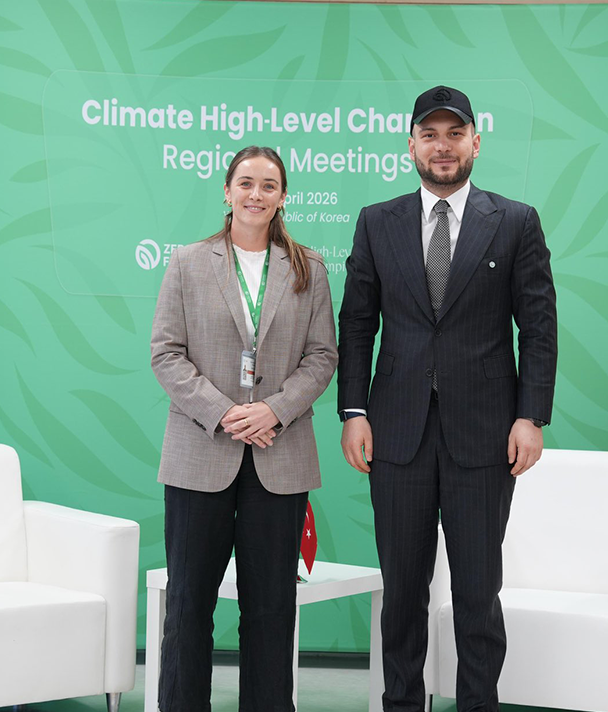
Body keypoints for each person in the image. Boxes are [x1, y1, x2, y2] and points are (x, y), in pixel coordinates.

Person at [337, 86, 557, 712]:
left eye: (454, 134)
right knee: (403, 592)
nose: (442, 146)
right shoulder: (377, 221)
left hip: (485, 436)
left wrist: (530, 415)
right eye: (429, 135)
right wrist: (354, 410)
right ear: (410, 145)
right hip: (396, 432)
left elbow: (538, 325)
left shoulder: (514, 221)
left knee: (478, 593)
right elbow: (358, 323)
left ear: (475, 143)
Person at [150, 145, 338, 712]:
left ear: (284, 197)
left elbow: (322, 356)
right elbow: (166, 353)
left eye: (269, 185)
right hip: (200, 451)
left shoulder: (308, 268)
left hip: (279, 455)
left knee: (272, 608)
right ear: (227, 191)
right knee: (188, 604)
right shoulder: (188, 262)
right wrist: (224, 412)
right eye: (247, 183)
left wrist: (273, 410)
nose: (256, 194)